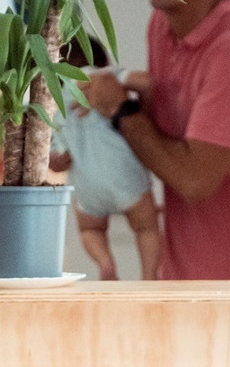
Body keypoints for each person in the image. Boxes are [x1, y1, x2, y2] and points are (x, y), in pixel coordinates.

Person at [85, 0, 230, 280]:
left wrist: (122, 110)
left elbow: (194, 180)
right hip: (182, 275)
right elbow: (161, 137)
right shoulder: (161, 26)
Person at [48, 38, 160, 281]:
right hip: (124, 174)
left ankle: (106, 264)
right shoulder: (99, 76)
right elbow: (146, 81)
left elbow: (58, 159)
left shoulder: (53, 99)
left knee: (90, 228)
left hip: (87, 184)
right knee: (146, 228)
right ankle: (149, 275)